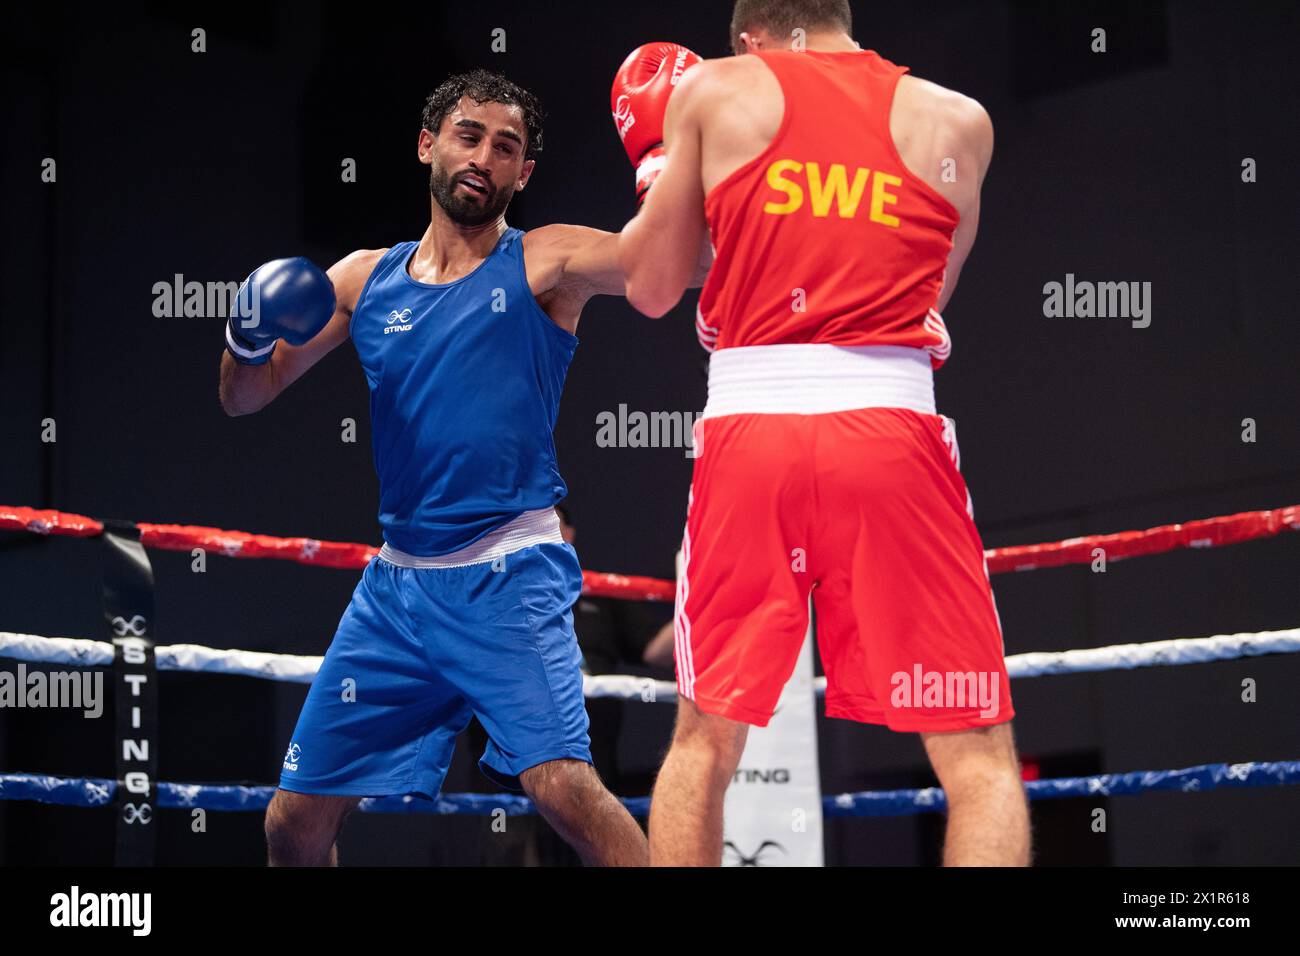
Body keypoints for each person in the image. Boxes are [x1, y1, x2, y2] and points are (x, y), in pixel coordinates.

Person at [615, 0, 1031, 865]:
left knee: (704, 742)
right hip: (891, 433)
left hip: (751, 430)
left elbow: (653, 288)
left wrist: (661, 178)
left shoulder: (715, 90)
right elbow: (927, 297)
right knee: (978, 759)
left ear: (750, 39)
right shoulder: (959, 120)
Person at [219, 68, 659, 866]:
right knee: (292, 823)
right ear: (428, 144)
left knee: (563, 788)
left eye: (506, 147)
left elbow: (661, 270)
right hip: (398, 590)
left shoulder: (544, 262)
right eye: (468, 135)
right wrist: (246, 337)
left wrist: (674, 174)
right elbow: (246, 398)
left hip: (508, 576)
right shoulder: (362, 278)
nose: (483, 156)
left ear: (522, 174)